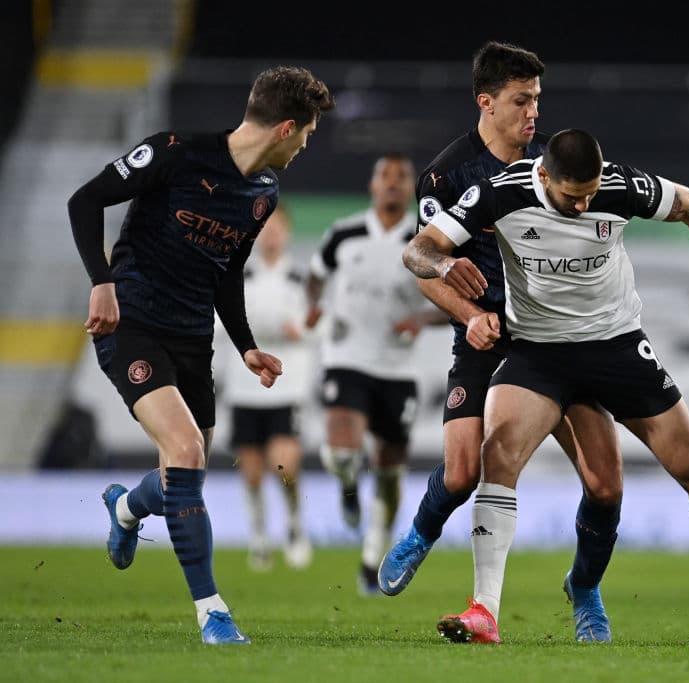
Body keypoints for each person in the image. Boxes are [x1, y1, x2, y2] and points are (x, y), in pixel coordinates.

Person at [403, 128, 689, 644]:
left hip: (615, 347)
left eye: (590, 193)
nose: (585, 203)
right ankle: (484, 610)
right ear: (544, 176)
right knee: (497, 453)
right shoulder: (503, 190)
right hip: (537, 353)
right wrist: (445, 262)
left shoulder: (619, 187)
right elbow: (419, 250)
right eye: (574, 196)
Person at [67, 66, 334, 645]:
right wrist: (101, 281)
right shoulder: (174, 152)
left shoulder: (263, 195)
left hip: (193, 339)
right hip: (131, 323)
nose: (306, 145)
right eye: (307, 133)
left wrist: (246, 347)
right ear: (286, 127)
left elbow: (226, 272)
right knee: (185, 451)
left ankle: (125, 512)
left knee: (183, 475)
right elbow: (85, 200)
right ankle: (213, 614)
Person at [378, 41, 625, 644]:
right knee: (462, 473)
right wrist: (467, 312)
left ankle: (585, 589)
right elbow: (423, 261)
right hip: (485, 337)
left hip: (556, 340)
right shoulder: (446, 174)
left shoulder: (553, 167)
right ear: (486, 103)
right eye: (521, 100)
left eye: (537, 100)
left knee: (602, 484)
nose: (532, 112)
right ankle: (420, 533)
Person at [305, 153, 442, 595]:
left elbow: (452, 299)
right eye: (386, 176)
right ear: (372, 185)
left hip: (398, 367)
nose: (393, 184)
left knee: (389, 470)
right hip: (346, 356)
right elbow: (314, 275)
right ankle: (347, 486)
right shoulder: (344, 233)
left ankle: (373, 551)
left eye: (403, 177)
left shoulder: (424, 242)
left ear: (411, 190)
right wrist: (315, 306)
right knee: (342, 453)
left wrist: (422, 320)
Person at [216, 203, 313, 572]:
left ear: (287, 232)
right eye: (265, 227)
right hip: (244, 387)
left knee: (284, 465)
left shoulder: (300, 280)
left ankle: (294, 526)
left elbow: (318, 326)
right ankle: (259, 536)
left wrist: (299, 330)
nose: (271, 234)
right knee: (253, 471)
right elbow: (220, 325)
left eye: (277, 227)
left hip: (288, 387)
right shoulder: (237, 276)